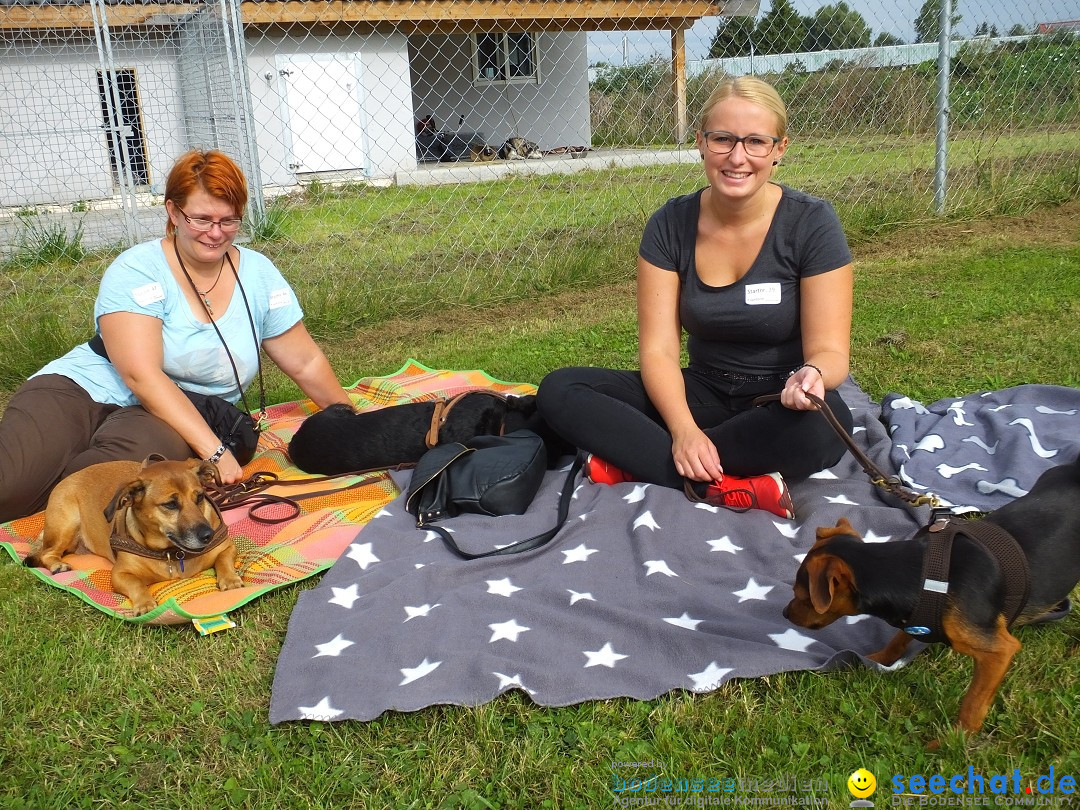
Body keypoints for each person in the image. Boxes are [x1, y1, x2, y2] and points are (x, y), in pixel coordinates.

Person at [536, 76, 854, 519]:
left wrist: (813, 374)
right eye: (723, 139)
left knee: (826, 426)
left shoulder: (811, 223)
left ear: (779, 149)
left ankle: (642, 462)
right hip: (700, 392)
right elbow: (660, 350)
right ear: (702, 142)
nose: (737, 157)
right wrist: (684, 429)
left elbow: (831, 351)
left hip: (779, 401)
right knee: (561, 389)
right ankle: (727, 484)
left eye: (756, 142)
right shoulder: (669, 224)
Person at [0, 149, 351, 523]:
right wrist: (215, 452)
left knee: (118, 488)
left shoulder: (259, 274)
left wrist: (349, 419)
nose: (216, 233)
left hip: (168, 418)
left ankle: (65, 508)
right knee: (9, 489)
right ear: (173, 212)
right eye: (201, 218)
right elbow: (141, 375)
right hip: (83, 388)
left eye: (228, 220)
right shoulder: (138, 268)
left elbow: (305, 361)